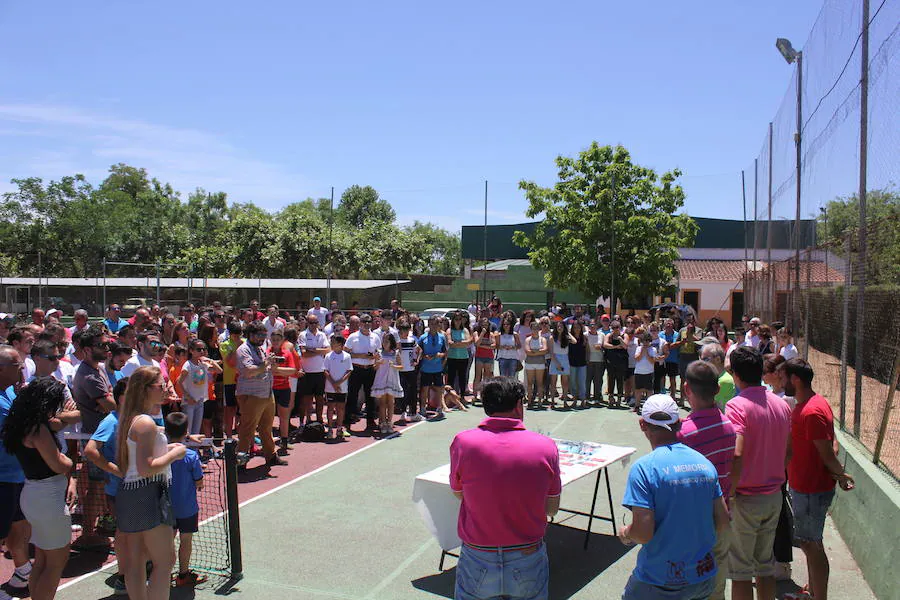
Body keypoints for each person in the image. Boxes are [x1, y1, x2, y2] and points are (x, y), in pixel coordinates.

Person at [450, 377, 561, 600]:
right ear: (519, 405)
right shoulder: (545, 446)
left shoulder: (463, 442)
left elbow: (458, 492)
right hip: (527, 552)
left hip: (478, 553)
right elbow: (552, 508)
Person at [619, 393, 729, 600]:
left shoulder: (644, 469)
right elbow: (722, 520)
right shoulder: (705, 464)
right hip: (701, 579)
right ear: (679, 423)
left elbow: (642, 533)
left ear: (643, 424)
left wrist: (626, 533)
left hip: (658, 581)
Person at [781, 358, 854, 600]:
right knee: (810, 543)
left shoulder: (811, 411)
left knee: (811, 545)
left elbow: (826, 451)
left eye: (784, 378)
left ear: (795, 380)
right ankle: (812, 591)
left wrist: (840, 474)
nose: (782, 383)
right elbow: (832, 443)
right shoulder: (814, 404)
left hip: (810, 489)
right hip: (806, 487)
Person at [724, 347, 792, 600]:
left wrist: (729, 493)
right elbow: (789, 450)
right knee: (765, 566)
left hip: (745, 498)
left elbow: (737, 453)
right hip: (773, 495)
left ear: (736, 375)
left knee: (740, 571)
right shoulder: (781, 405)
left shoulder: (736, 406)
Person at [114, 366, 183, 600]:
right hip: (148, 493)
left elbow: (140, 458)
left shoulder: (132, 420)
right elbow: (146, 467)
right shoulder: (145, 423)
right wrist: (176, 453)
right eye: (160, 385)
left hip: (131, 494)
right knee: (165, 562)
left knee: (136, 562)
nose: (165, 389)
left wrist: (168, 445)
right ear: (145, 389)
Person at [1, 377, 73, 600]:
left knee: (42, 560)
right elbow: (59, 464)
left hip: (33, 495)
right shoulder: (38, 429)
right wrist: (69, 462)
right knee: (55, 563)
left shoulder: (23, 424)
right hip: (47, 500)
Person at [677, 362, 737, 600]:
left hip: (692, 525)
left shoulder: (683, 433)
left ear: (686, 389)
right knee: (716, 588)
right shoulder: (729, 426)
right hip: (721, 519)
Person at [84, 377, 129, 595]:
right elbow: (91, 450)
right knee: (124, 533)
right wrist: (113, 470)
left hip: (138, 487)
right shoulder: (111, 421)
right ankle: (122, 576)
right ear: (121, 397)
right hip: (119, 490)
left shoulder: (139, 418)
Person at [72, 326, 115, 548]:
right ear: (87, 349)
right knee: (96, 487)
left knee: (101, 484)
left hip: (102, 438)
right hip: (95, 440)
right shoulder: (89, 375)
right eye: (102, 345)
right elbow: (110, 405)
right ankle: (88, 534)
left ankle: (98, 526)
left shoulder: (97, 369)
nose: (107, 348)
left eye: (107, 344)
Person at [0, 346, 34, 598]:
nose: (22, 369)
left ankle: (23, 572)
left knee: (19, 526)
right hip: (2, 479)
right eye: (17, 365)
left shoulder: (11, 392)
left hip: (17, 475)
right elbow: (23, 428)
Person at [164, 412, 208, 587]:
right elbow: (199, 481)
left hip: (166, 508)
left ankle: (164, 575)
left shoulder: (161, 453)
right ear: (186, 432)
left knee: (167, 542)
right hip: (187, 509)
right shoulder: (190, 456)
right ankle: (183, 575)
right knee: (185, 540)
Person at [234, 322, 285, 469]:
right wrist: (265, 364)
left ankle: (271, 455)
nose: (263, 338)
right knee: (247, 429)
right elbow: (249, 371)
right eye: (259, 335)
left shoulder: (260, 349)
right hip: (251, 395)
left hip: (267, 394)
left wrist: (271, 363)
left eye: (264, 335)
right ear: (250, 335)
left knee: (266, 427)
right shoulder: (243, 350)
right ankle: (240, 462)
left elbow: (265, 367)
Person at [177, 339, 222, 436]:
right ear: (191, 351)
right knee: (188, 430)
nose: (202, 351)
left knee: (196, 430)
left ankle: (195, 450)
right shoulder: (188, 365)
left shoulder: (203, 364)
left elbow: (219, 371)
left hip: (200, 400)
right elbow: (179, 382)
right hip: (189, 402)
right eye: (198, 349)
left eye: (203, 349)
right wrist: (187, 396)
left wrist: (210, 361)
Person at [345, 314, 381, 431]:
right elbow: (346, 353)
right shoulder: (353, 337)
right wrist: (361, 355)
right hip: (356, 369)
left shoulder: (375, 337)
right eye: (364, 322)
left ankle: (370, 421)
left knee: (370, 396)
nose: (367, 324)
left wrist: (375, 358)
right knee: (352, 396)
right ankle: (347, 422)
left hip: (370, 369)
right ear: (360, 323)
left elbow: (379, 352)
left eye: (369, 322)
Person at [268, 330, 301, 454]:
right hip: (270, 389)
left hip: (284, 389)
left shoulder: (287, 353)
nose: (275, 342)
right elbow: (268, 370)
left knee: (284, 417)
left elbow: (292, 370)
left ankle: (284, 441)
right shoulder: (267, 352)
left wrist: (277, 369)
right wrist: (280, 370)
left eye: (278, 339)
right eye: (273, 340)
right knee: (269, 418)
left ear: (282, 340)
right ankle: (269, 443)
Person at [371, 334, 404, 434]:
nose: (385, 343)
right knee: (382, 403)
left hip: (392, 379)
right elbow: (374, 367)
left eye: (387, 341)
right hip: (381, 379)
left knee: (390, 402)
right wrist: (378, 363)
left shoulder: (396, 353)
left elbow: (401, 366)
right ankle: (383, 423)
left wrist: (393, 366)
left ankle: (389, 422)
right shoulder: (379, 353)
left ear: (391, 342)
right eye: (384, 341)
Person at [300, 316, 330, 427]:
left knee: (320, 398)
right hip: (307, 371)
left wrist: (312, 349)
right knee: (307, 398)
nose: (313, 324)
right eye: (311, 322)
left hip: (320, 371)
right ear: (307, 323)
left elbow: (327, 350)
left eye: (315, 322)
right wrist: (319, 351)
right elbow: (304, 353)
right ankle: (308, 419)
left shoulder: (322, 335)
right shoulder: (303, 335)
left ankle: (319, 419)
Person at [324, 335, 353, 440]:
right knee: (330, 408)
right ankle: (330, 429)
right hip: (330, 387)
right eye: (332, 343)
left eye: (334, 343)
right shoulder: (328, 356)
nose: (332, 344)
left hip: (342, 387)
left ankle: (340, 429)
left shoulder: (347, 356)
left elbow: (349, 370)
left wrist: (339, 383)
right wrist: (333, 383)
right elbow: (326, 371)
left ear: (341, 345)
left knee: (340, 408)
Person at [418, 316, 448, 418]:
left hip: (438, 368)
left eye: (436, 324)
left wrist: (440, 355)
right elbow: (418, 353)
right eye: (432, 324)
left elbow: (445, 352)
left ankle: (439, 408)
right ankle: (422, 408)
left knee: (439, 388)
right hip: (426, 368)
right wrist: (424, 356)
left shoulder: (442, 337)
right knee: (425, 388)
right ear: (429, 325)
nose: (434, 326)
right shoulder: (423, 338)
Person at [396, 321, 422, 423]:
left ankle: (414, 412)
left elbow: (419, 350)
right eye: (403, 330)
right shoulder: (397, 342)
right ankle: (403, 412)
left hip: (411, 370)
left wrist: (417, 360)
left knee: (413, 391)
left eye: (407, 330)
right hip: (400, 370)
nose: (406, 332)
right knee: (403, 392)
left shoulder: (412, 340)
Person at [700, 343, 736, 410]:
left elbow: (710, 408)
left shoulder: (724, 381)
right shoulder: (716, 378)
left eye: (705, 359)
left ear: (718, 359)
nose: (701, 363)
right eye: (700, 359)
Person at [446, 312, 472, 399]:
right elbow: (450, 343)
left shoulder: (465, 330)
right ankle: (449, 397)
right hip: (452, 357)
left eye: (459, 319)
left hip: (463, 357)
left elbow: (468, 342)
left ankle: (462, 397)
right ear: (453, 320)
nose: (458, 321)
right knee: (451, 378)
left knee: (462, 378)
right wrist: (461, 343)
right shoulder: (449, 330)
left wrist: (456, 342)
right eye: (456, 319)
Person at [603, 321, 629, 409]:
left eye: (617, 327)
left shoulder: (624, 335)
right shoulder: (609, 336)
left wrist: (620, 339)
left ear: (620, 327)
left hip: (621, 362)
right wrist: (615, 347)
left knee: (620, 380)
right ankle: (610, 398)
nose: (615, 330)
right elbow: (605, 344)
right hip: (610, 361)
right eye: (613, 328)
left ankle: (619, 398)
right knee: (611, 379)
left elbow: (625, 346)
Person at [548, 320, 574, 407]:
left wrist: (568, 334)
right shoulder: (552, 338)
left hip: (565, 359)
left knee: (565, 382)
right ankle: (552, 401)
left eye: (561, 326)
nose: (559, 328)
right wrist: (557, 363)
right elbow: (551, 353)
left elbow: (574, 341)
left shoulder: (567, 337)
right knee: (553, 382)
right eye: (558, 326)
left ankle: (565, 401)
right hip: (555, 359)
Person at [523, 321, 548, 409]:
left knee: (540, 383)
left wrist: (534, 352)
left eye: (537, 328)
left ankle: (540, 402)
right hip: (529, 363)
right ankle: (529, 401)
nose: (535, 330)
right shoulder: (528, 339)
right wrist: (538, 352)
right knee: (530, 383)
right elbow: (527, 351)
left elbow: (545, 350)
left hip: (540, 363)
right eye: (533, 329)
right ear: (531, 329)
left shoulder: (543, 339)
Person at [472, 318, 495, 402]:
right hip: (479, 356)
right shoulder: (476, 333)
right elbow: (477, 343)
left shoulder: (491, 334)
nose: (484, 326)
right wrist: (482, 333)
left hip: (489, 357)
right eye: (483, 325)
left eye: (486, 325)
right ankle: (475, 396)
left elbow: (493, 345)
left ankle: (483, 395)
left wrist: (483, 346)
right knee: (478, 376)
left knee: (486, 376)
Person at [632, 332, 657, 412]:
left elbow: (652, 361)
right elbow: (637, 358)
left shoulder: (653, 349)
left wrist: (646, 353)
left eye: (647, 341)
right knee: (638, 390)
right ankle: (637, 406)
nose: (645, 343)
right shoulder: (638, 348)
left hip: (649, 373)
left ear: (650, 341)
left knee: (649, 391)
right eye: (644, 341)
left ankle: (649, 408)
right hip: (639, 372)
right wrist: (642, 351)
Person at [568, 321, 589, 408]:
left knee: (582, 382)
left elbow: (587, 350)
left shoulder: (584, 338)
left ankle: (583, 400)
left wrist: (587, 359)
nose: (577, 329)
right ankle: (574, 400)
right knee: (573, 382)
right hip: (572, 363)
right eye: (575, 327)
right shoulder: (569, 338)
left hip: (582, 363)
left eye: (578, 327)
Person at [495, 314, 521, 378]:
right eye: (504, 324)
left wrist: (512, 347)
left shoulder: (515, 334)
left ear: (510, 325)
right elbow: (497, 346)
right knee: (503, 377)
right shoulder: (499, 335)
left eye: (507, 324)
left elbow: (519, 346)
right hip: (502, 357)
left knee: (512, 377)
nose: (506, 326)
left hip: (513, 358)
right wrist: (503, 347)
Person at [660, 319, 680, 400]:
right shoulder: (660, 334)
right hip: (663, 359)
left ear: (673, 325)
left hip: (673, 360)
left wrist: (668, 345)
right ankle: (662, 394)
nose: (668, 325)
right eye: (667, 324)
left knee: (673, 379)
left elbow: (675, 345)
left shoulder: (677, 334)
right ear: (664, 325)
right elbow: (661, 345)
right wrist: (669, 345)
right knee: (662, 378)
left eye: (670, 324)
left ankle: (673, 396)